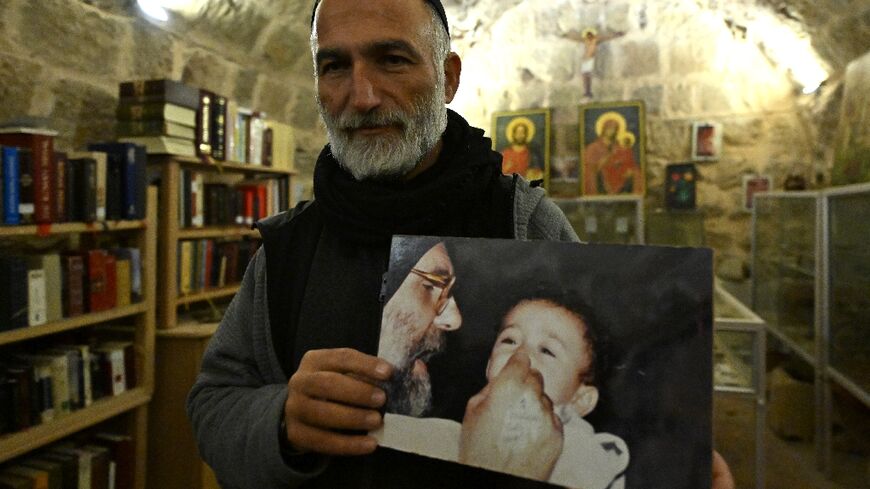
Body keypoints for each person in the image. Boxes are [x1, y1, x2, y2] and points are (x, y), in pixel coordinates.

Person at [185, 1, 735, 488]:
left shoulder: (525, 223)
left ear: (448, 78)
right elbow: (215, 404)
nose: (363, 95)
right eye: (334, 66)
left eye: (392, 60)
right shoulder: (289, 248)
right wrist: (282, 422)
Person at [567, 28, 625, 98]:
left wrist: (616, 35)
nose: (589, 36)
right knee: (586, 76)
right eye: (588, 35)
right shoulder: (585, 40)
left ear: (592, 35)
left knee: (590, 75)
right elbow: (575, 38)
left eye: (590, 35)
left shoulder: (595, 40)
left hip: (592, 60)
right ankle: (587, 92)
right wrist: (566, 36)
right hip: (586, 60)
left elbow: (606, 38)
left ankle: (589, 91)